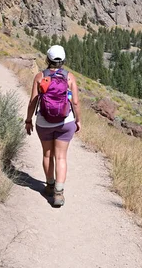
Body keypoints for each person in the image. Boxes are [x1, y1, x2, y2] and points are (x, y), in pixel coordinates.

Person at [25, 45, 81, 206]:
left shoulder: (40, 77)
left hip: (44, 122)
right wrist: (78, 120)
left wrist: (28, 120)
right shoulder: (69, 77)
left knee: (47, 155)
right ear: (63, 60)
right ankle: (59, 193)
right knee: (61, 157)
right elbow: (75, 102)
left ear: (47, 59)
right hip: (66, 122)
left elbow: (33, 102)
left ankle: (49, 186)